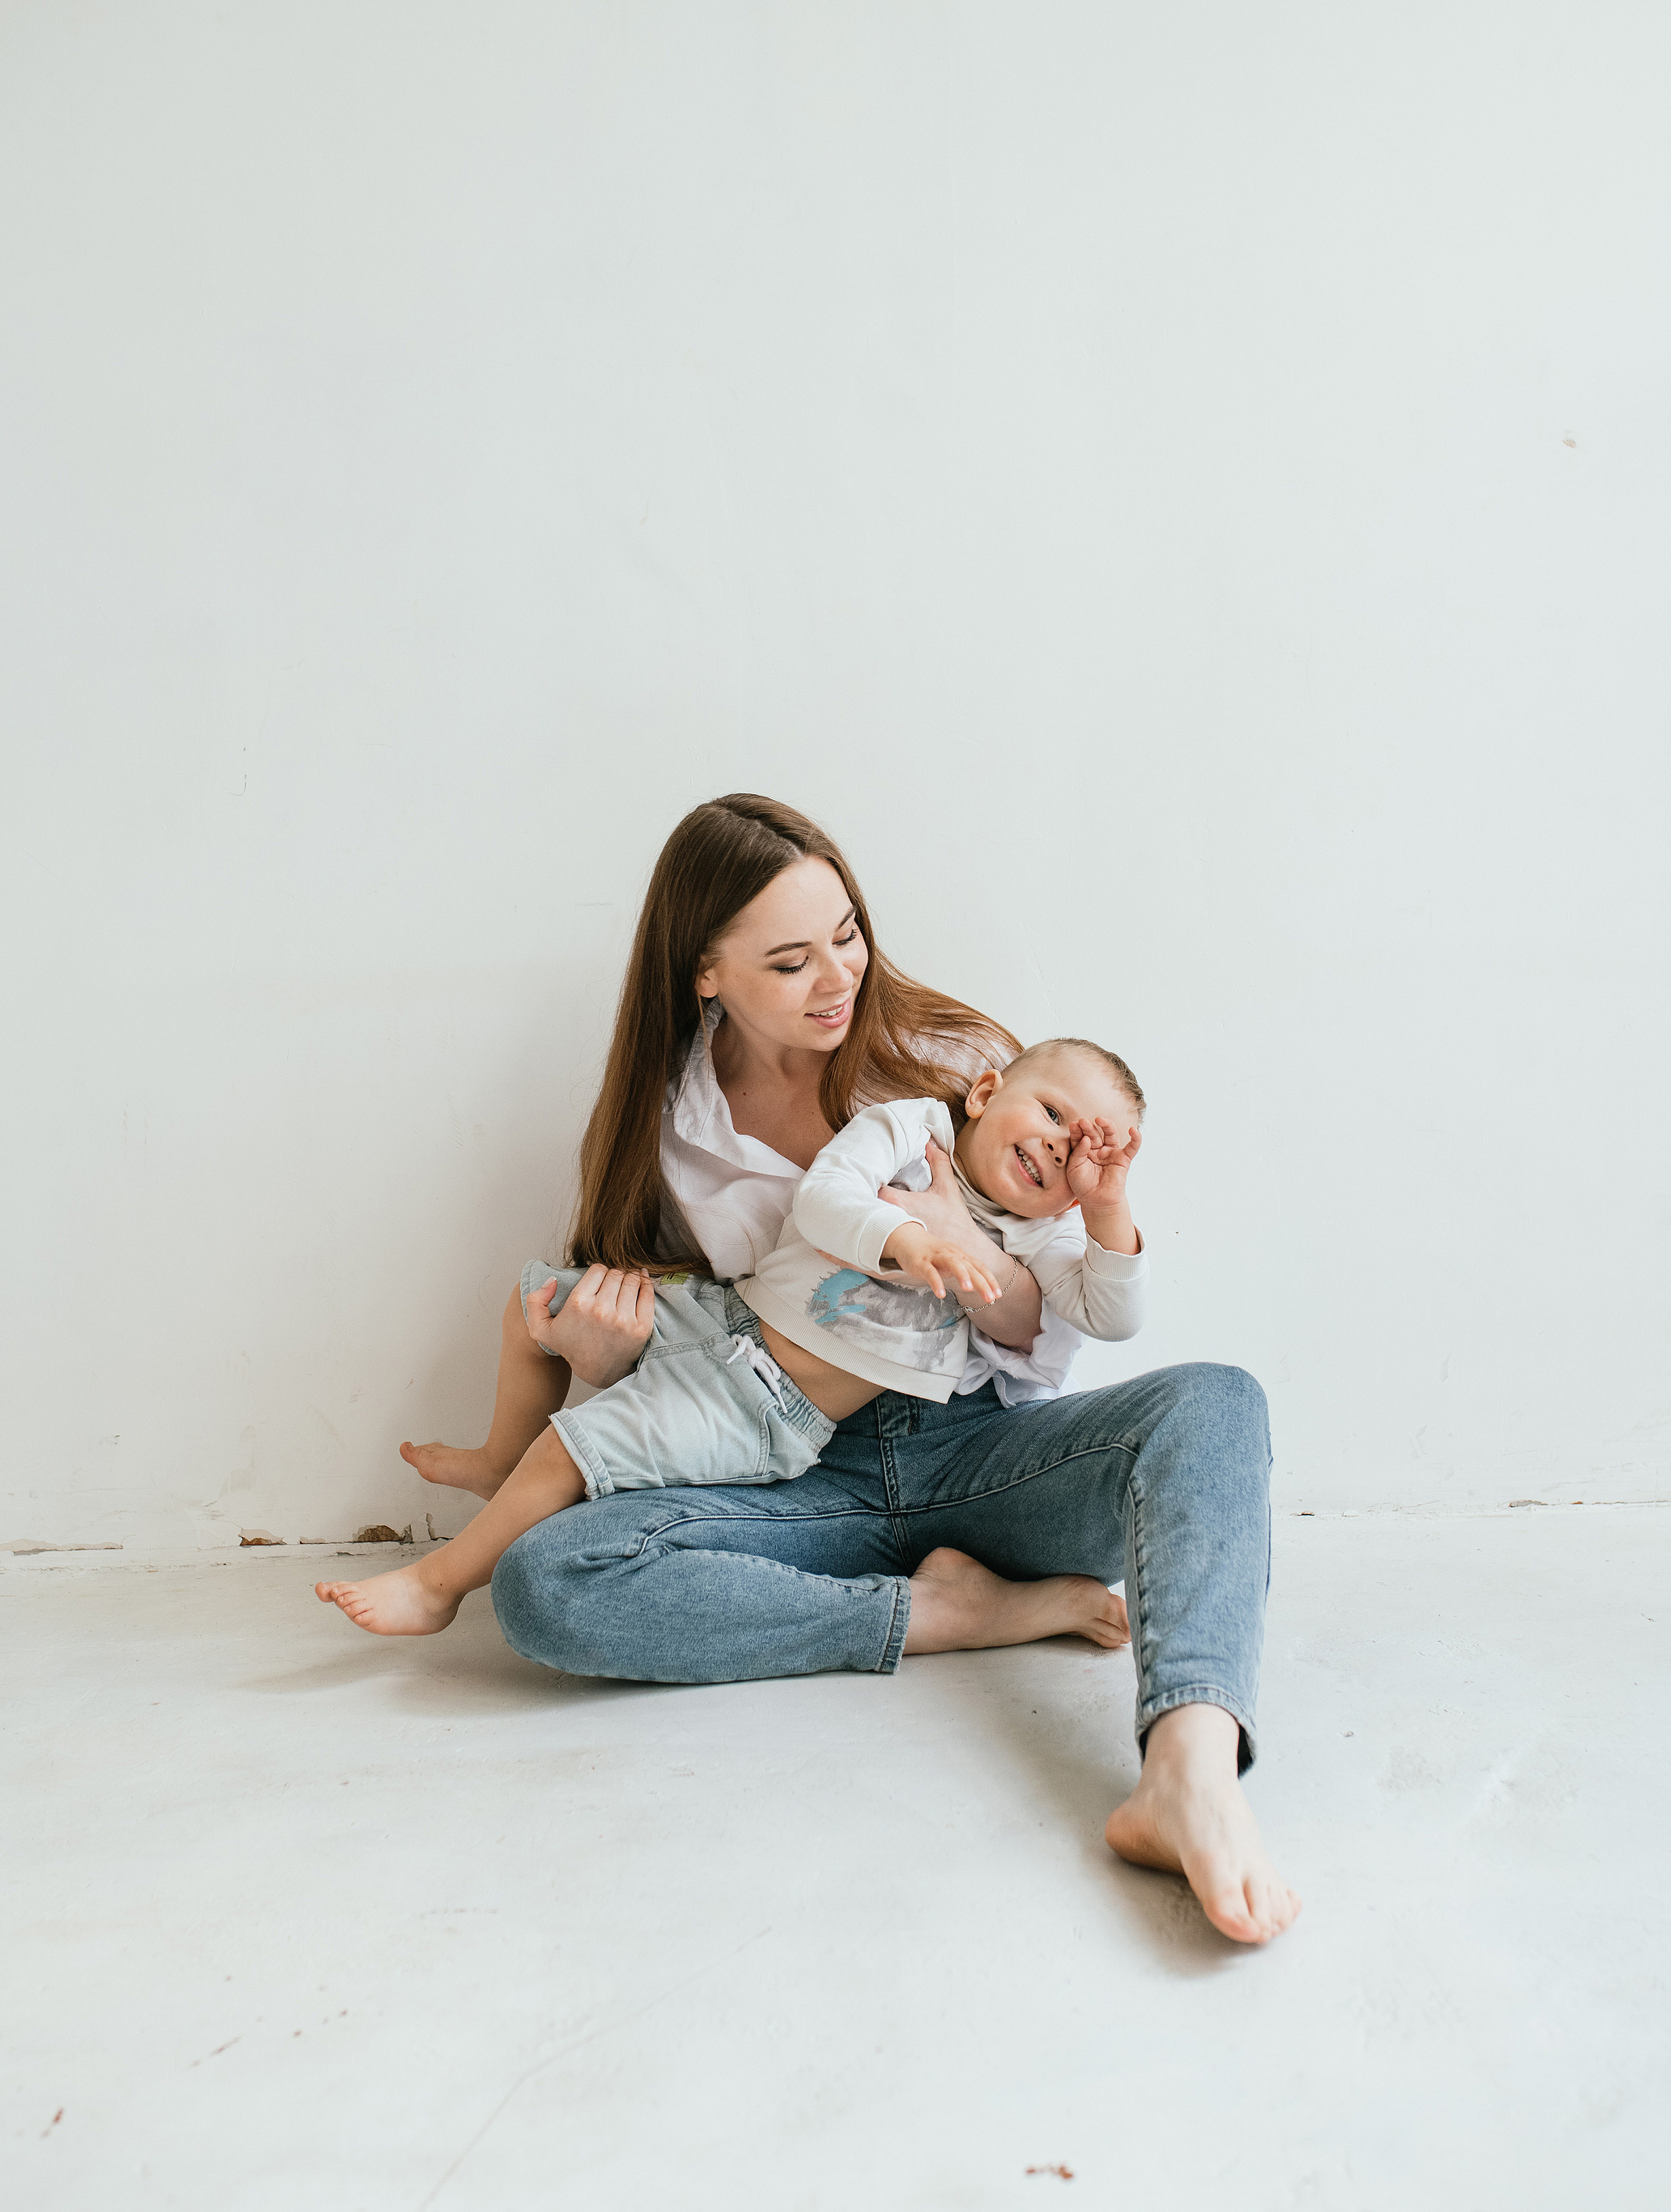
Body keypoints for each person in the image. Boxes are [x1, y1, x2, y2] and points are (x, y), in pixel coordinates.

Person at [332, 794, 1298, 1946]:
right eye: (790, 961)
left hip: (976, 1454)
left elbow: (1058, 1338)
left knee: (1217, 1403)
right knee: (546, 1586)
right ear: (705, 975)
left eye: (848, 934)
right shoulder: (667, 1128)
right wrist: (602, 1355)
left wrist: (980, 1233)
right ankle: (941, 1615)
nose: (838, 977)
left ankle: (1188, 1772)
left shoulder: (960, 1068)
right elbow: (676, 1379)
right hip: (785, 1471)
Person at [315, 1036, 1148, 1636]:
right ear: (985, 1091)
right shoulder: (908, 1130)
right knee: (536, 1301)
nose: (1055, 1143)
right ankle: (504, 1458)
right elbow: (824, 1199)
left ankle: (438, 1585)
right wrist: (907, 1240)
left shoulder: (1043, 1241)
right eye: (1050, 1111)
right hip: (726, 1315)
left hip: (766, 1406)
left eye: (1081, 1153)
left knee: (578, 1450)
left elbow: (1111, 1317)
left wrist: (1106, 1207)